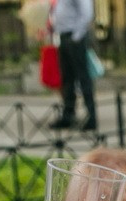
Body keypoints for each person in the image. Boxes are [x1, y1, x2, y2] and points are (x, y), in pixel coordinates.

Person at [51, 0, 96, 132]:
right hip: (64, 36)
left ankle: (91, 116)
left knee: (83, 78)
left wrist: (76, 36)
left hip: (75, 37)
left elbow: (87, 13)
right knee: (67, 78)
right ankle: (68, 114)